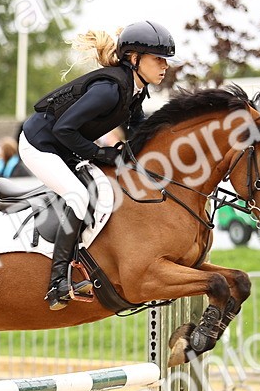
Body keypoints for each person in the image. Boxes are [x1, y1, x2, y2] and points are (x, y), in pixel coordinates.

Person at [19, 19, 174, 310]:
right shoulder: (109, 89)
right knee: (77, 197)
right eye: (158, 59)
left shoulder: (136, 90)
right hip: (40, 145)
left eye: (165, 60)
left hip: (65, 146)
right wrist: (101, 154)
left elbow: (139, 129)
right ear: (134, 58)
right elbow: (63, 129)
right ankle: (57, 282)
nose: (164, 66)